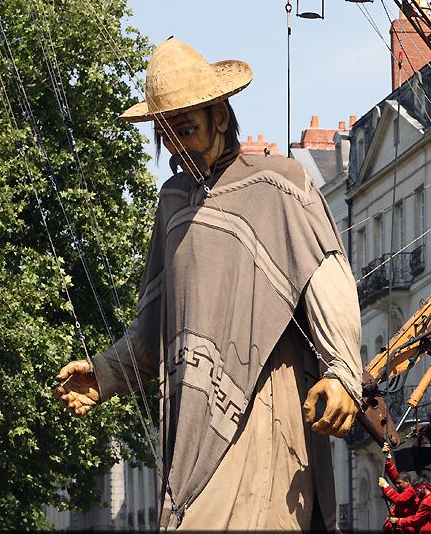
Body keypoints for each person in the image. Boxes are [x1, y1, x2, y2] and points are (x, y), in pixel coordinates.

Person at [53, 38, 363, 530]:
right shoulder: (172, 204)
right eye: (166, 133)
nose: (177, 145)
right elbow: (152, 326)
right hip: (188, 415)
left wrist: (344, 373)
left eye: (188, 128)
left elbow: (330, 284)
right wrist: (105, 374)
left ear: (220, 115)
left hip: (264, 403)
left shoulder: (279, 184)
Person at [381, 443, 419, 531]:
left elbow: (399, 499)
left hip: (407, 528)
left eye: (399, 483)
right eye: (397, 484)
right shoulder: (403, 487)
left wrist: (386, 486)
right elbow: (394, 475)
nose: (397, 485)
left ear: (407, 482)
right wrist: (388, 458)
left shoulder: (411, 491)